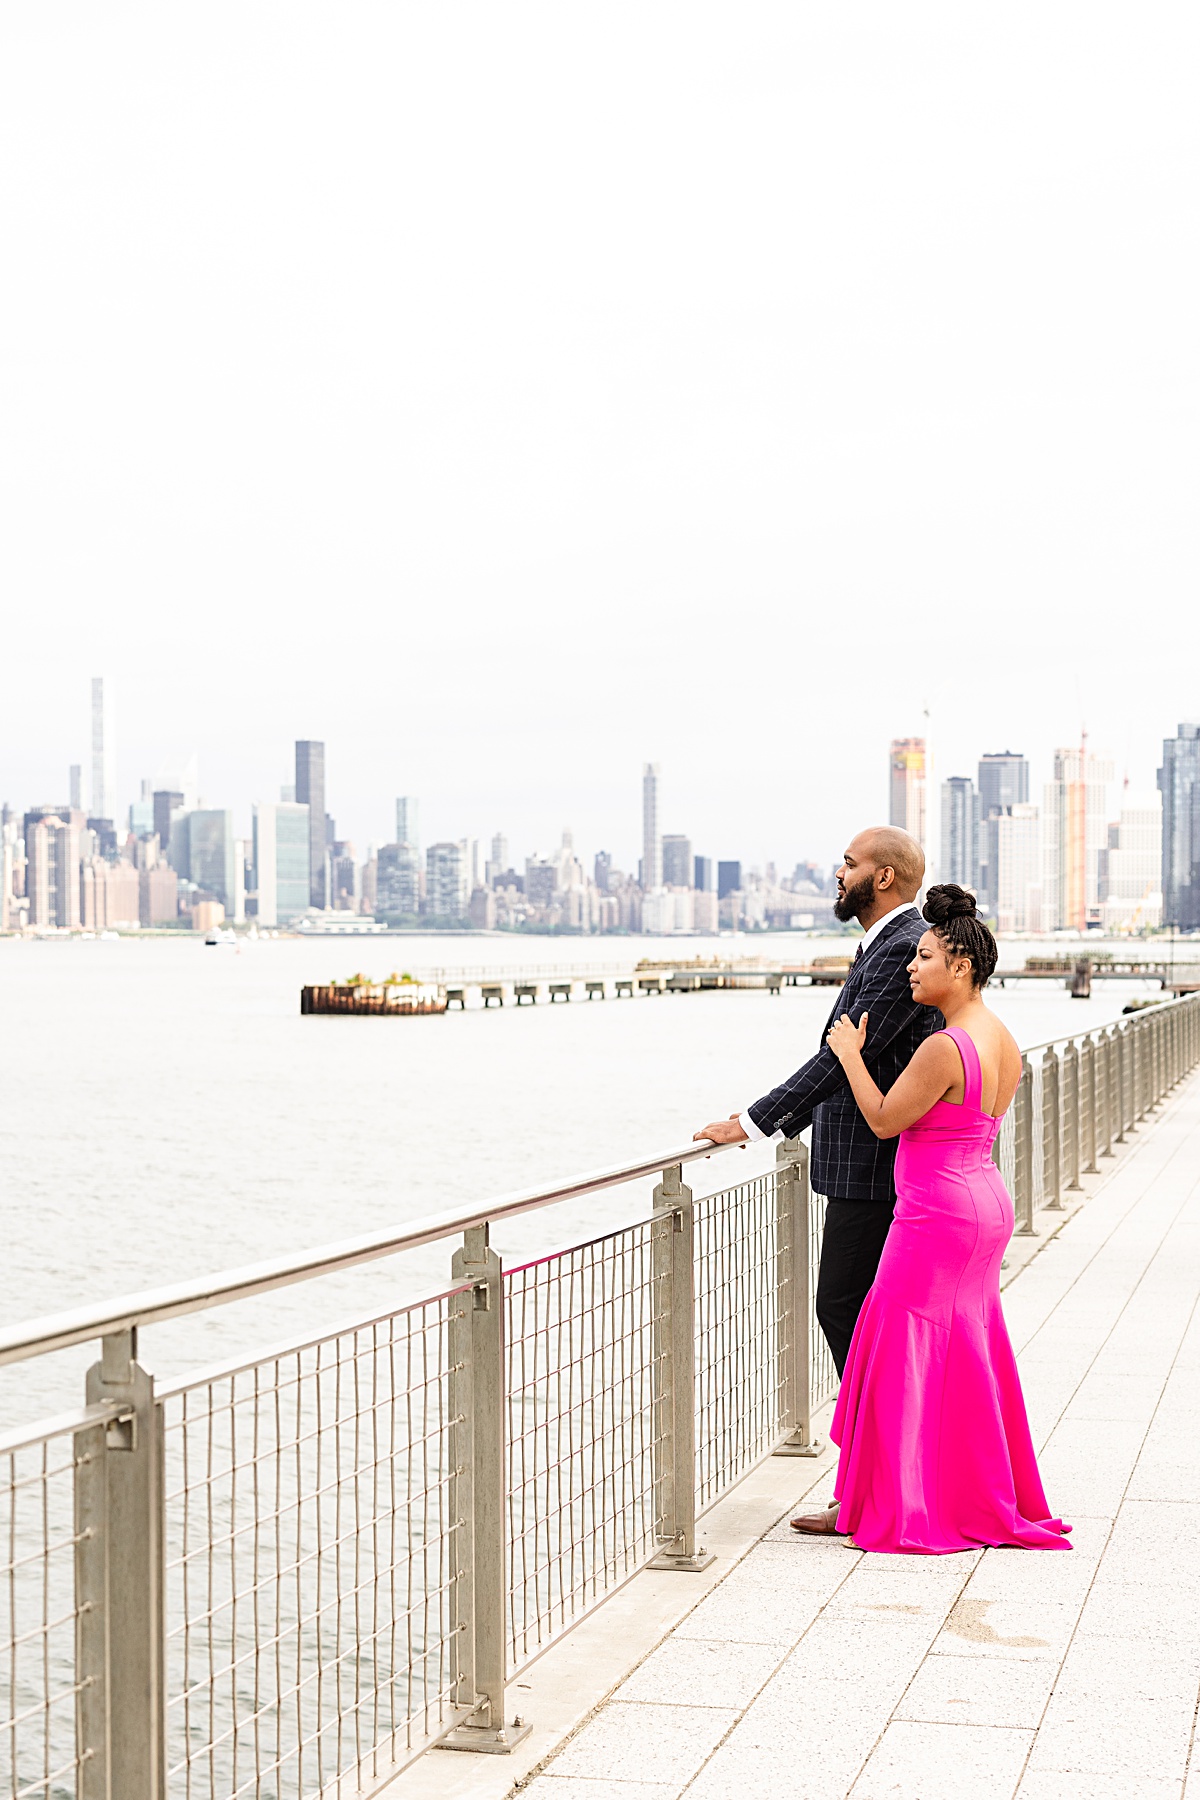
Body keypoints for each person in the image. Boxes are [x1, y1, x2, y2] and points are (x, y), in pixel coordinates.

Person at [795, 885, 1071, 1553]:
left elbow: (886, 1119)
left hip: (936, 1214)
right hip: (982, 1201)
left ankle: (892, 1501)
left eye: (923, 957)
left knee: (896, 1349)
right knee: (963, 1353)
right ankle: (943, 1489)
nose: (911, 968)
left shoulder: (943, 1047)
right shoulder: (999, 1035)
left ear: (962, 968)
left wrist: (850, 1056)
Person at [696, 826, 940, 1375]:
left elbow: (843, 1058)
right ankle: (877, 1436)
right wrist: (777, 1119)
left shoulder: (902, 948)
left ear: (882, 877)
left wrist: (753, 1124)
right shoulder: (891, 945)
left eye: (849, 864)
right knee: (862, 1310)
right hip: (866, 1166)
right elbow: (845, 1057)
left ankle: (875, 1437)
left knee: (842, 1305)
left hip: (872, 1169)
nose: (838, 874)